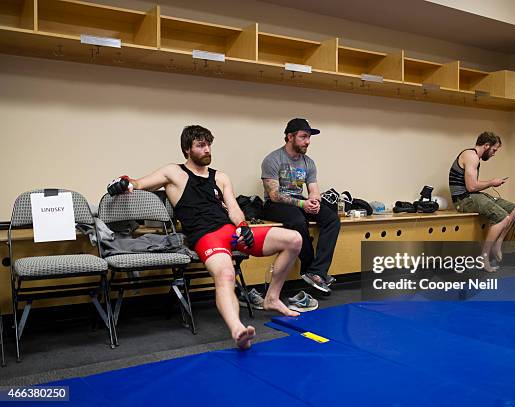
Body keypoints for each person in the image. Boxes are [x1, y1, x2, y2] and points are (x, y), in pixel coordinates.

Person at [107, 125, 302, 350]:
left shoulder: (220, 177)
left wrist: (243, 226)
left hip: (230, 232)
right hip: (205, 237)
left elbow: (234, 209)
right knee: (227, 273)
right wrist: (124, 183)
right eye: (201, 145)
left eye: (209, 144)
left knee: (294, 239)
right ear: (187, 150)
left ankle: (272, 298)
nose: (207, 149)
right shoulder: (174, 173)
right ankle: (237, 329)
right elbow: (138, 183)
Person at [261, 118, 341, 293]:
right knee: (297, 221)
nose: (308, 141)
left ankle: (317, 271)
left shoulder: (308, 162)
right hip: (275, 205)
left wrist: (314, 202)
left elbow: (314, 190)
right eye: (304, 136)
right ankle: (308, 267)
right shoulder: (273, 159)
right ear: (290, 137)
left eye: (309, 137)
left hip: (300, 201)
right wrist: (303, 203)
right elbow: (274, 195)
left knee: (331, 218)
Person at [449, 131, 515, 272]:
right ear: (486, 145)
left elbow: (473, 187)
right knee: (502, 218)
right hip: (463, 200)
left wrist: (491, 183)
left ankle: (498, 243)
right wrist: (492, 182)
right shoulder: (471, 156)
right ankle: (484, 257)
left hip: (473, 196)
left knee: (514, 208)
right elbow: (471, 186)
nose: (494, 154)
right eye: (494, 150)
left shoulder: (475, 157)